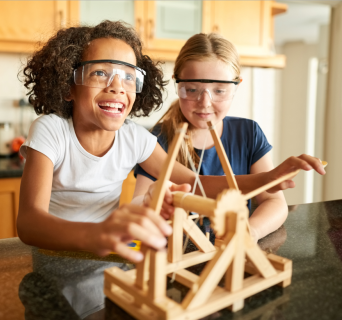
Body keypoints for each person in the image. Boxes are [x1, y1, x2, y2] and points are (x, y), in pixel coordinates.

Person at [17, 21, 325, 264]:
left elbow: (198, 184)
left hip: (107, 255)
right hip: (55, 258)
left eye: (128, 77)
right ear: (67, 86)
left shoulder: (135, 138)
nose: (117, 87)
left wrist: (268, 178)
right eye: (100, 72)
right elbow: (30, 224)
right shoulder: (50, 130)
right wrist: (101, 233)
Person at [132, 32, 325, 243]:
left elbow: (274, 202)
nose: (205, 102)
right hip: (176, 257)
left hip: (234, 253)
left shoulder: (248, 133)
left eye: (219, 91)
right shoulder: (159, 138)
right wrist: (151, 199)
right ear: (178, 85)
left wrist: (249, 232)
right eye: (192, 89)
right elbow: (139, 203)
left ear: (236, 87)